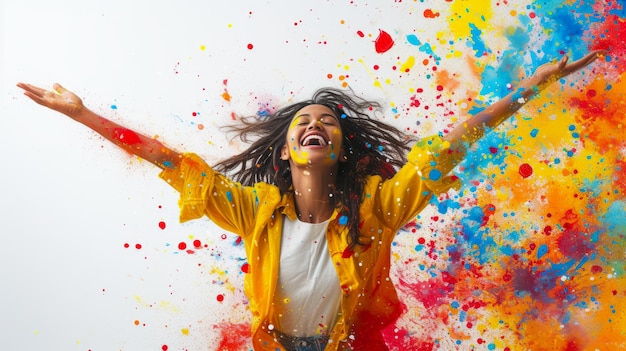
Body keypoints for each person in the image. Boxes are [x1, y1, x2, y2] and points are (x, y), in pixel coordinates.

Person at [17, 50, 602, 351]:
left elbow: (448, 147)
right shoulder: (253, 211)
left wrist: (531, 88)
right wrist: (83, 114)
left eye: (327, 121)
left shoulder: (379, 208)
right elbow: (169, 161)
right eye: (303, 121)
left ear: (342, 148)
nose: (313, 124)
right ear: (287, 149)